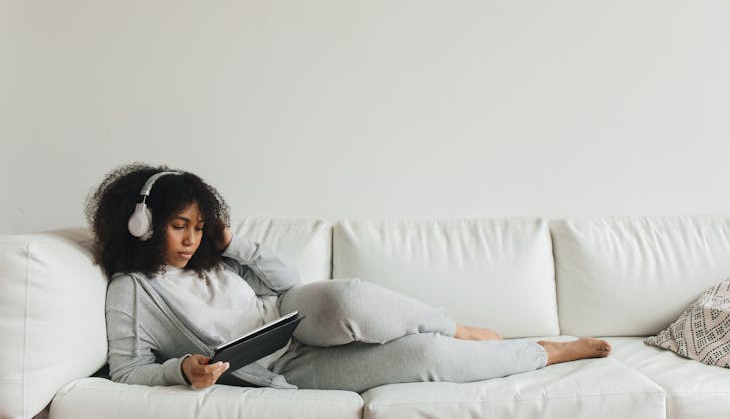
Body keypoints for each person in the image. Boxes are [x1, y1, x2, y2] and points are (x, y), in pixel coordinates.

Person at [86, 163, 611, 392]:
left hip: (290, 314)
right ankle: (545, 351)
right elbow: (127, 371)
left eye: (198, 228)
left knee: (348, 299)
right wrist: (183, 371)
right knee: (426, 357)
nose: (191, 240)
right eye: (179, 227)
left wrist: (231, 244)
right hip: (286, 366)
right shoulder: (132, 291)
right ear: (142, 224)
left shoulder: (211, 258)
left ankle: (454, 325)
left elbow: (286, 278)